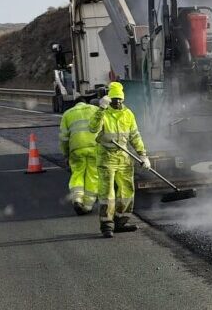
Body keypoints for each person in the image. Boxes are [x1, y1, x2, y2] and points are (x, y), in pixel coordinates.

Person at [88, 81, 149, 237]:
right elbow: (93, 128)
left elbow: (135, 136)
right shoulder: (103, 113)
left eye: (120, 100)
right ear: (110, 100)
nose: (118, 103)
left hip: (124, 157)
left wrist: (143, 155)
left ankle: (121, 221)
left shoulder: (128, 114)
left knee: (127, 191)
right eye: (115, 100)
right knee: (107, 193)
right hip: (106, 157)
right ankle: (107, 225)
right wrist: (101, 109)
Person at [58, 83, 105, 215]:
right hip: (94, 148)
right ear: (85, 102)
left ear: (75, 104)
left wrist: (65, 154)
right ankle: (88, 205)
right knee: (93, 176)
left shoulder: (67, 114)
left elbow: (63, 138)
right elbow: (103, 128)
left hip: (76, 149)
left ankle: (77, 199)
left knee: (77, 174)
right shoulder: (94, 109)